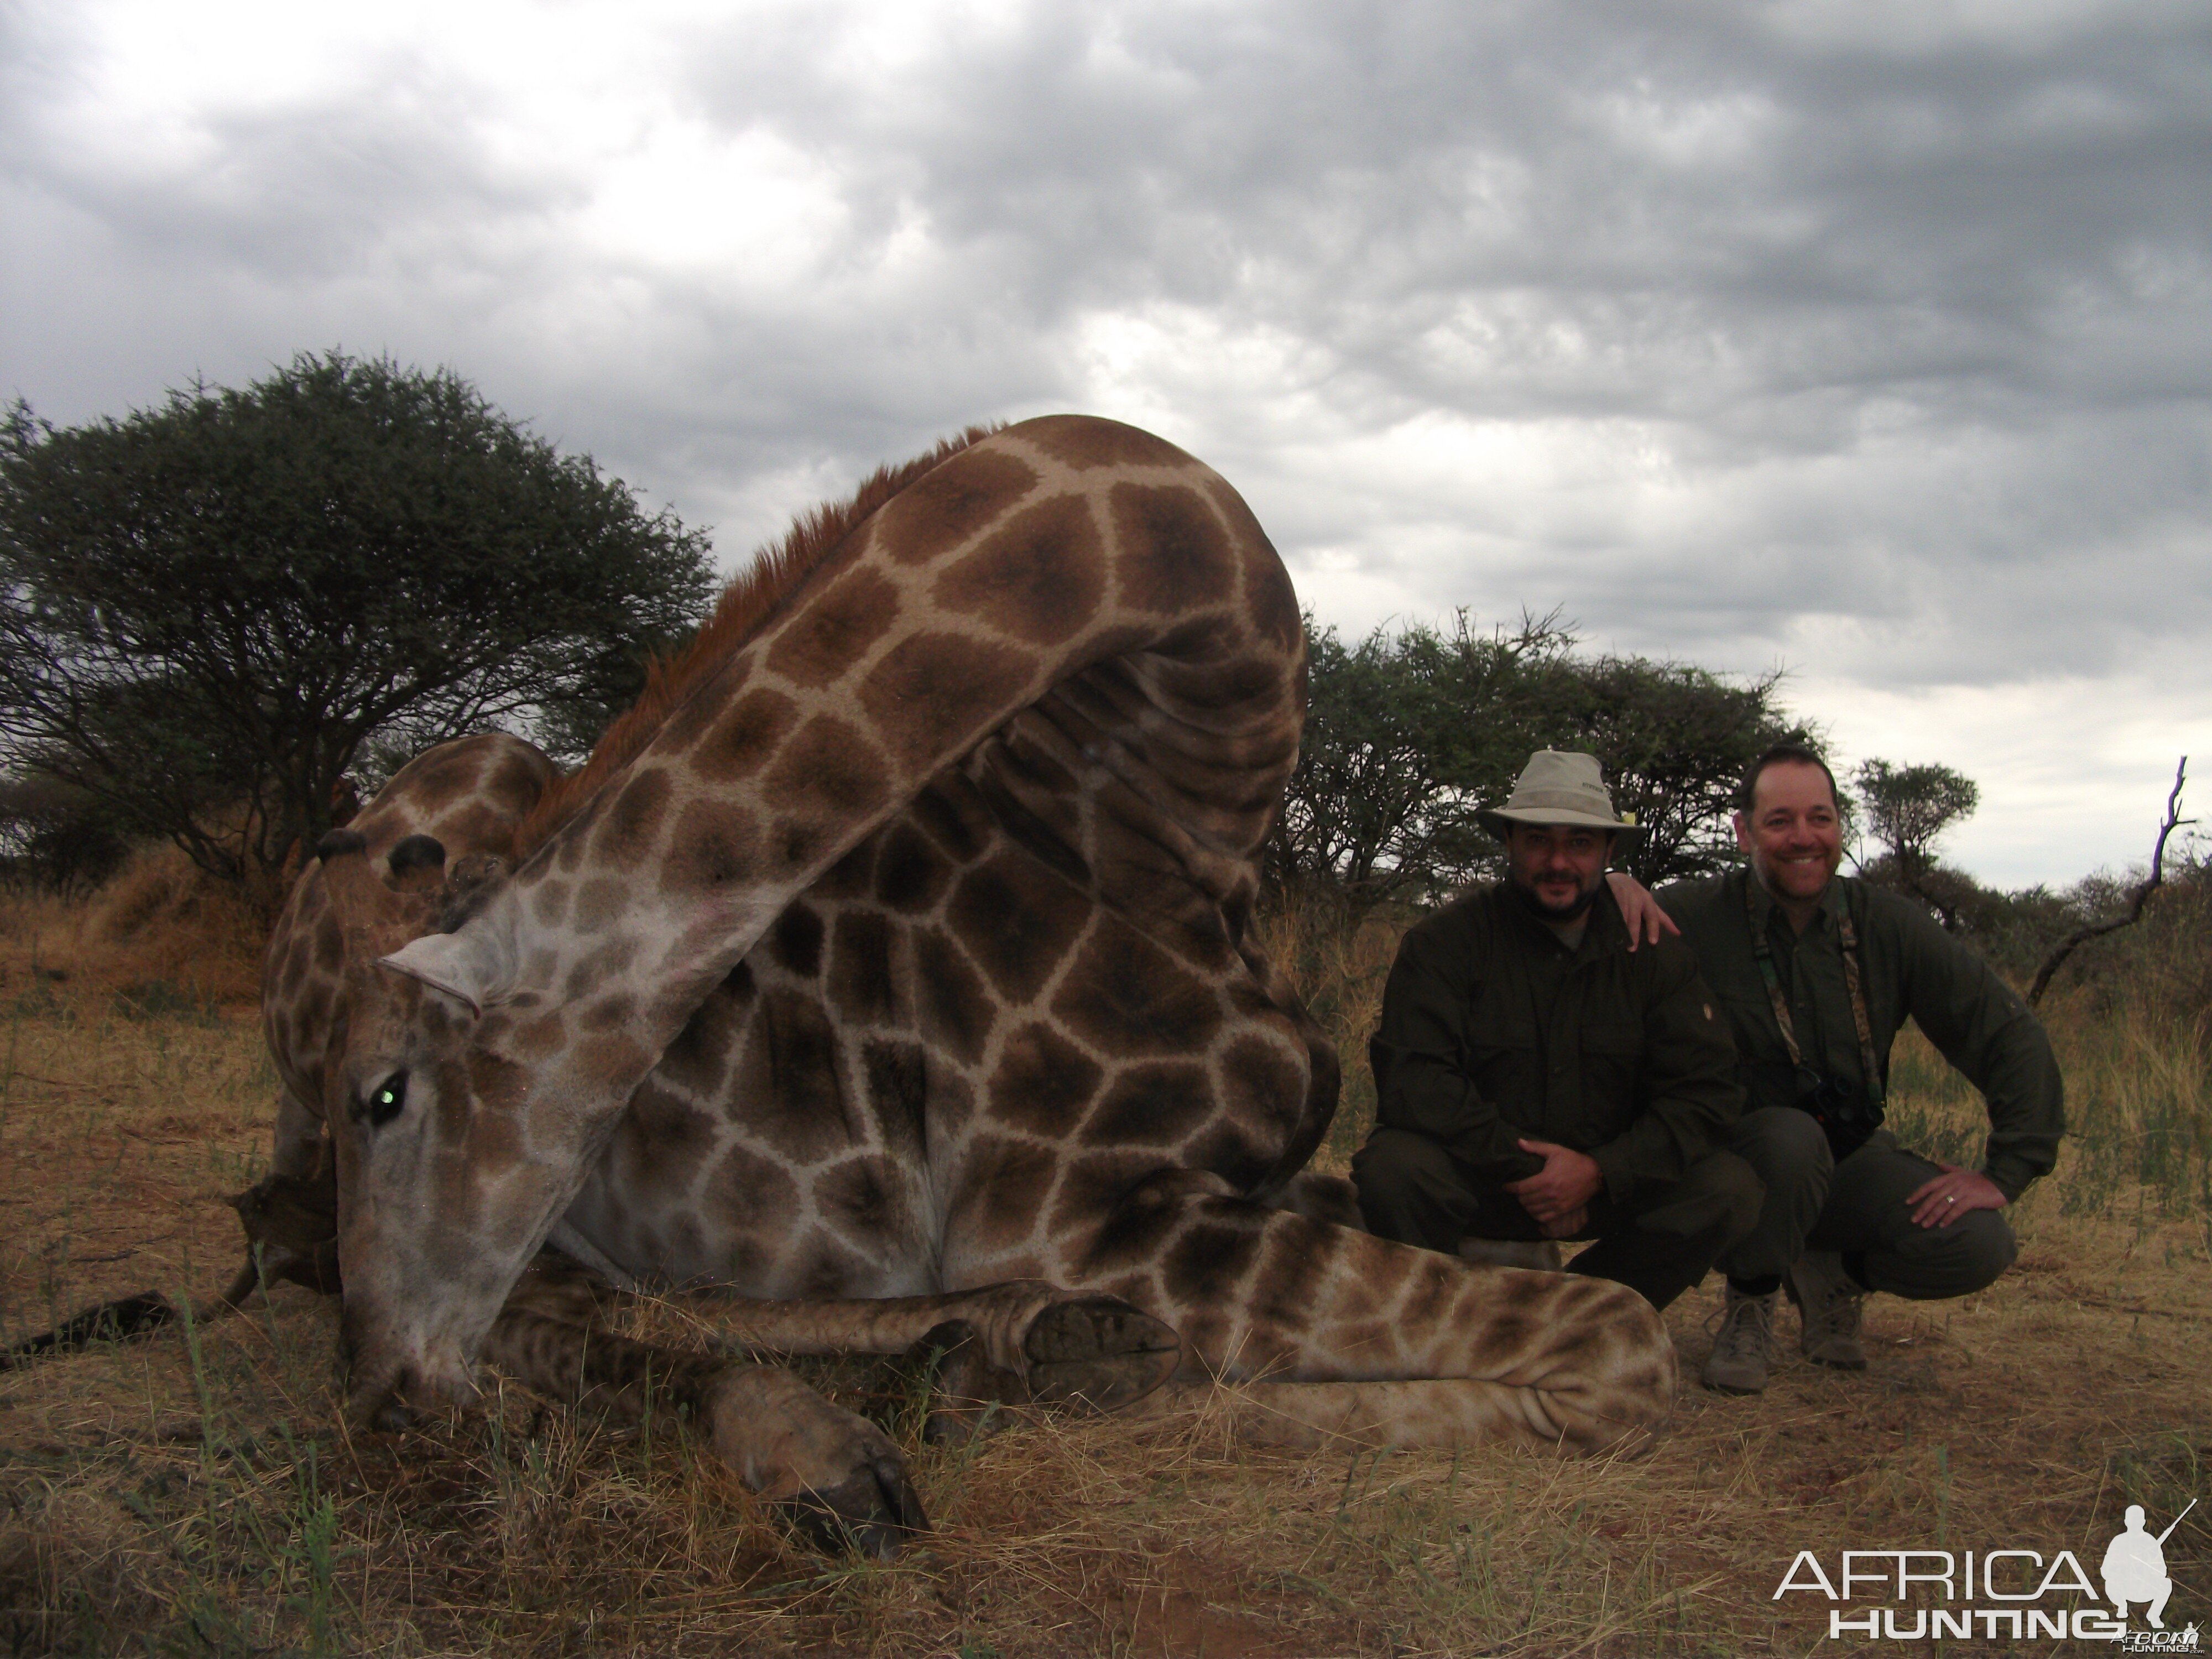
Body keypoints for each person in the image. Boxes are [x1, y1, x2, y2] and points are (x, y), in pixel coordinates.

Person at [1653, 742, 2063, 1393]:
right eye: (1780, 821)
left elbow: (2003, 1031)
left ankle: (1834, 1271)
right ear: (1743, 832)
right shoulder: (1687, 914)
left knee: (1978, 1244)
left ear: (1841, 827)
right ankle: (1751, 1300)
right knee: (1787, 1140)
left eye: (1820, 818)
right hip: (1734, 1165)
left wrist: (2008, 1168)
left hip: (1846, 1158)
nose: (1803, 838)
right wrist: (1613, 887)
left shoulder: (1888, 924)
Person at [1351, 750, 1760, 1312]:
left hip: (1608, 1188)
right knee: (1393, 1168)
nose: (1557, 862)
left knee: (1728, 1188)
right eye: (1538, 841)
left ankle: (1577, 1313)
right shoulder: (1443, 943)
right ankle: (1438, 1316)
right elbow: (1414, 1083)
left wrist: (1599, 1172)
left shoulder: (1657, 956)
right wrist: (1536, 1173)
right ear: (1510, 842)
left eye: (1579, 843)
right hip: (1490, 1180)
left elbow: (1707, 1095)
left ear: (1608, 852)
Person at [2101, 1505, 2174, 1628]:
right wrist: (2121, 1570)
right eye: (2131, 1520)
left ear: (2143, 1522)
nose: (2134, 1523)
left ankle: (2154, 1615)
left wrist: (2147, 1568)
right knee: (2109, 1583)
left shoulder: (2151, 1542)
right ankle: (2122, 1606)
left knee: (2166, 1584)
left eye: (2138, 1520)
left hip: (2144, 1588)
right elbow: (2106, 1569)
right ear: (2126, 1522)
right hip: (2124, 1588)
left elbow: (2162, 1570)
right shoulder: (2118, 1541)